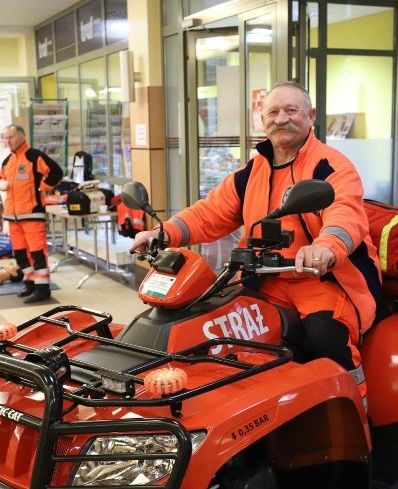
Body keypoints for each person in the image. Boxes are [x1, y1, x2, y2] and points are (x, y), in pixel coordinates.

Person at [129, 81, 384, 408]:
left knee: (327, 336)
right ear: (261, 119)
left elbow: (345, 212)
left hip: (323, 280)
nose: (282, 119)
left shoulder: (330, 165)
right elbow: (210, 213)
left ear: (311, 116)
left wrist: (326, 247)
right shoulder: (252, 171)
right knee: (215, 329)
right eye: (273, 112)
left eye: (292, 110)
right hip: (264, 280)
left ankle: (354, 420)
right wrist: (163, 234)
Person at [0, 124, 64, 304]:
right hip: (13, 216)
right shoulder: (8, 161)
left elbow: (56, 172)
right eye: (6, 138)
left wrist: (43, 188)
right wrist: (1, 184)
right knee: (20, 253)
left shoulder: (34, 156)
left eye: (10, 137)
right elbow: (1, 177)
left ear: (21, 137)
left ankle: (43, 288)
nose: (8, 141)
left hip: (32, 214)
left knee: (37, 253)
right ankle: (30, 282)